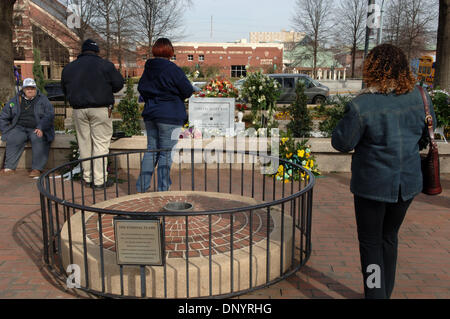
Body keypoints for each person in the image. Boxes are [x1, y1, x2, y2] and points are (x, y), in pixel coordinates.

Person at [331, 43, 436, 299]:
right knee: (389, 237)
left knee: (370, 243)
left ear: (372, 68)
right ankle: (383, 293)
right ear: (402, 67)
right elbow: (425, 136)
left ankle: (376, 294)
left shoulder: (362, 105)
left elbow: (342, 143)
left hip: (372, 187)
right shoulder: (420, 96)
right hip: (408, 185)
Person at [61, 39, 124, 189]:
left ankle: (87, 177)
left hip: (78, 109)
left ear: (82, 51)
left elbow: (64, 89)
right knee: (100, 144)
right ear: (96, 51)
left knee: (84, 143)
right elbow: (118, 84)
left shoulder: (69, 68)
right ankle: (99, 180)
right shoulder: (105, 65)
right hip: (100, 108)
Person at [136, 38, 194, 192]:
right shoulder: (172, 69)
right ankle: (162, 190)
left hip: (151, 114)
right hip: (170, 115)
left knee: (151, 151)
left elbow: (141, 87)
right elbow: (187, 90)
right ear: (170, 51)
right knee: (166, 154)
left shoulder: (148, 68)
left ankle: (142, 188)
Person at [0, 78, 55, 177]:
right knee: (13, 138)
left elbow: (49, 115)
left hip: (37, 127)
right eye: (27, 88)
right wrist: (5, 130)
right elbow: (4, 115)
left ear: (36, 89)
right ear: (23, 90)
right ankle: (9, 167)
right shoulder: (15, 100)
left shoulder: (43, 99)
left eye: (32, 88)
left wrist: (41, 127)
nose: (30, 90)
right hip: (20, 127)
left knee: (38, 138)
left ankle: (36, 169)